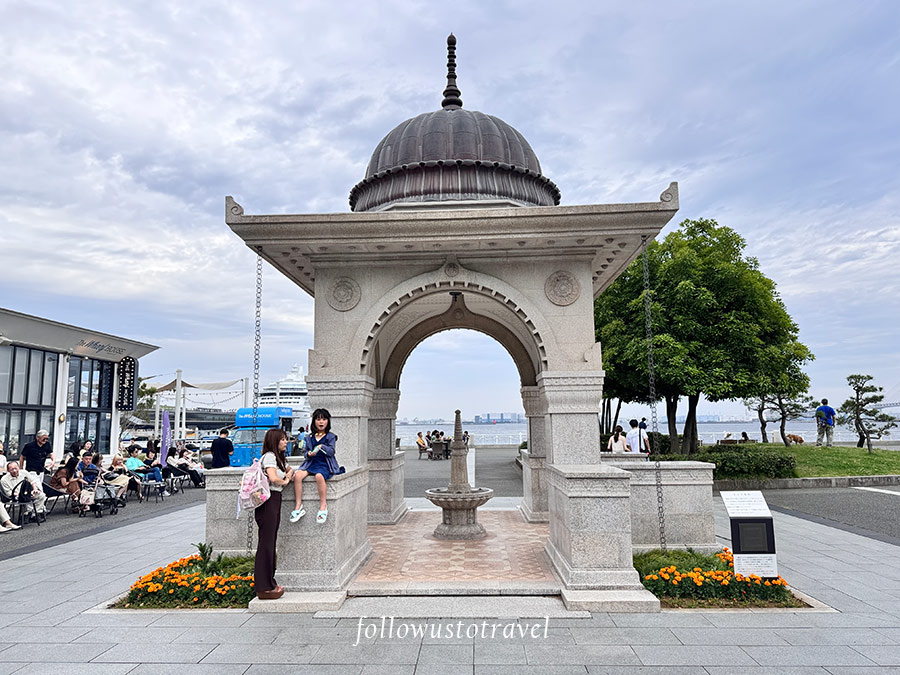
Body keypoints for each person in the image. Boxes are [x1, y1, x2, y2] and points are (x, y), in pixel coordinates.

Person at [256, 428, 294, 600]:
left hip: (273, 500)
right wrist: (286, 480)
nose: (286, 442)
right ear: (275, 440)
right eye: (283, 439)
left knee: (269, 542)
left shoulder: (276, 457)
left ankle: (269, 583)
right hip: (268, 501)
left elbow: (287, 469)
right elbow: (274, 478)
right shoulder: (270, 456)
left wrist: (289, 472)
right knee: (266, 543)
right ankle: (264, 587)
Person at [290, 408, 345, 525]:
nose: (321, 422)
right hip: (311, 463)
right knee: (298, 476)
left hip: (325, 465)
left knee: (319, 476)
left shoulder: (330, 436)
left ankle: (323, 506)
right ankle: (298, 506)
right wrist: (309, 454)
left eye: (324, 419)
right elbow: (306, 453)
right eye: (318, 419)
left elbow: (331, 452)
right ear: (314, 421)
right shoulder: (309, 437)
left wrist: (321, 446)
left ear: (328, 422)